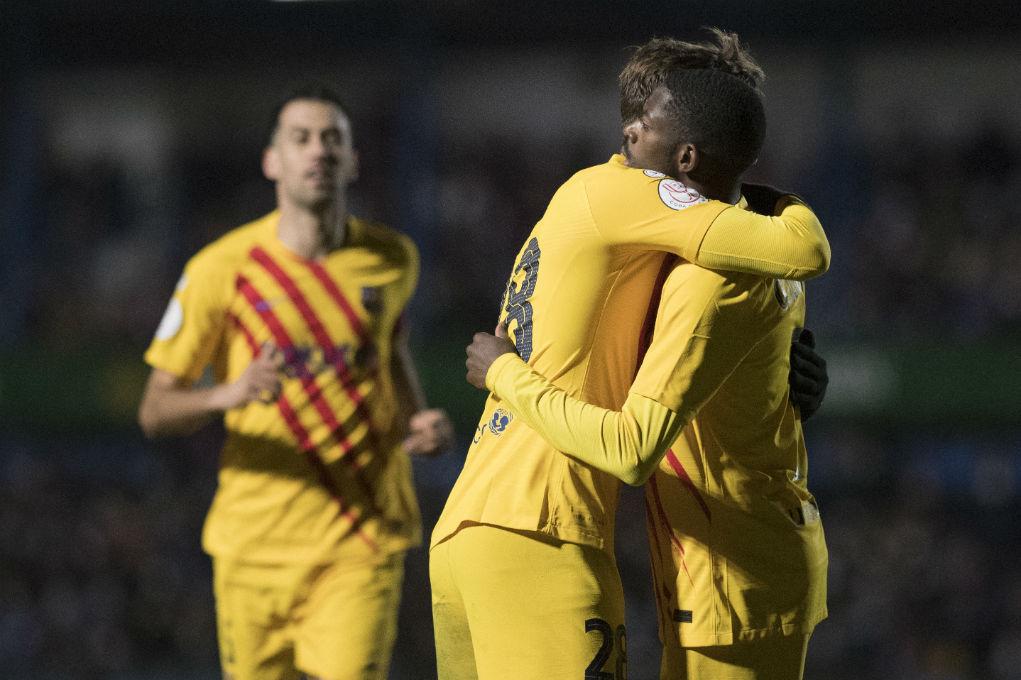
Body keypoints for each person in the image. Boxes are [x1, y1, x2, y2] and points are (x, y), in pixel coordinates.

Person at [429, 30, 829, 680]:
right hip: (541, 531)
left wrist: (792, 386)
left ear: (687, 155)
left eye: (642, 124)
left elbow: (782, 281)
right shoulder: (647, 212)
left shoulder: (675, 244)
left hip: (477, 527)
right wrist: (783, 202)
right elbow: (797, 251)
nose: (626, 135)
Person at [137, 84, 453, 680]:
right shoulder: (218, 269)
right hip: (253, 549)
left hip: (361, 538)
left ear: (352, 160)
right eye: (301, 138)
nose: (318, 151)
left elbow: (390, 348)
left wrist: (418, 416)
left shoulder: (393, 258)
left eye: (333, 139)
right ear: (272, 161)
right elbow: (154, 411)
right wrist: (227, 393)